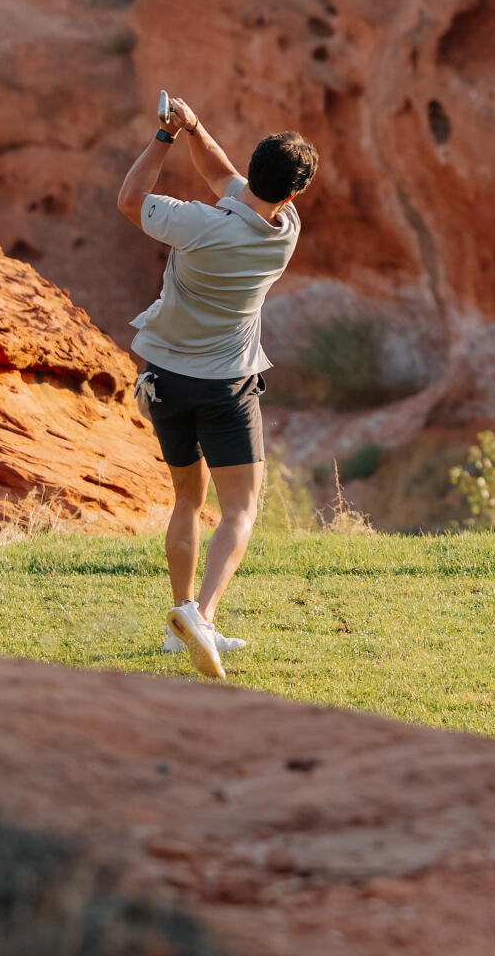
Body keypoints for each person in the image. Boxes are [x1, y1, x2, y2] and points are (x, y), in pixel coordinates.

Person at [115, 94, 320, 681]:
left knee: (187, 500)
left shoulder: (198, 224)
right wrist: (196, 128)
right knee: (241, 509)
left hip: (163, 378)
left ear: (253, 168)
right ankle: (200, 617)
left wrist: (168, 135)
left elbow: (131, 200)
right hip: (226, 386)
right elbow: (224, 178)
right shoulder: (285, 233)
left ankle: (182, 621)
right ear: (292, 195)